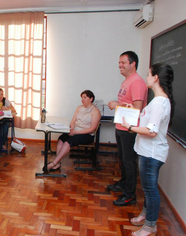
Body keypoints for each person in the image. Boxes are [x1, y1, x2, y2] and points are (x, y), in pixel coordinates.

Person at [120, 63, 174, 236]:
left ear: (156, 77)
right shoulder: (158, 100)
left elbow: (151, 131)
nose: (147, 77)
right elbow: (148, 118)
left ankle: (150, 226)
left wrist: (130, 128)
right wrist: (133, 110)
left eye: (149, 74)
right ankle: (146, 214)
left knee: (150, 190)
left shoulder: (159, 102)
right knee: (147, 188)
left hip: (151, 154)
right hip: (147, 152)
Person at [107, 51, 148, 206]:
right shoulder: (127, 81)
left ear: (133, 64)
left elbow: (137, 109)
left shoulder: (137, 82)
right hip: (121, 126)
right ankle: (123, 184)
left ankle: (130, 195)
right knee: (123, 160)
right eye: (119, 63)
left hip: (130, 129)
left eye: (123, 62)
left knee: (129, 162)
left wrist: (116, 105)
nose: (120, 65)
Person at [42, 90, 101, 171]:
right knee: (61, 139)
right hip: (75, 131)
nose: (82, 100)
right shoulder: (79, 107)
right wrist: (72, 129)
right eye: (82, 98)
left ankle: (54, 163)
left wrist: (76, 132)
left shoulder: (95, 111)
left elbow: (92, 129)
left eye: (85, 97)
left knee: (67, 143)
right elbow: (73, 121)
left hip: (87, 135)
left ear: (91, 99)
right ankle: (58, 163)